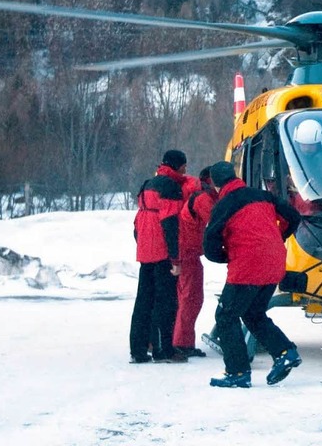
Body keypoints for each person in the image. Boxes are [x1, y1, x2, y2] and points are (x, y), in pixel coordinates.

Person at [203, 161, 302, 388]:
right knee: (253, 313)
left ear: (216, 185)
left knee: (226, 317)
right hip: (275, 262)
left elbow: (209, 244)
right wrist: (278, 237)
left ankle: (237, 372)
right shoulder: (262, 195)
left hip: (248, 266)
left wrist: (225, 256)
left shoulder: (224, 204)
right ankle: (285, 352)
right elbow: (294, 217)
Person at [129, 150, 195, 364]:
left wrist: (142, 244)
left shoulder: (148, 184)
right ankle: (163, 350)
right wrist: (175, 259)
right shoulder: (170, 187)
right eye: (183, 166)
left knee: (143, 301)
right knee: (165, 302)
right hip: (163, 253)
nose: (185, 170)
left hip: (145, 252)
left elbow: (137, 224)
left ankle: (138, 349)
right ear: (176, 166)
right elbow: (170, 224)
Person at [173, 166, 218, 358]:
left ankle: (180, 341)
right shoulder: (202, 198)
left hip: (185, 252)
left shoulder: (199, 195)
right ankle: (182, 343)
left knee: (185, 299)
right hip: (188, 253)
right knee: (191, 299)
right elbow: (218, 222)